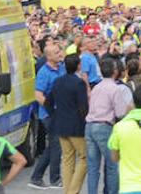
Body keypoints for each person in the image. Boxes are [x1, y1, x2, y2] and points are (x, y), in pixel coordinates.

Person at [85, 54, 132, 194]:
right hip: (104, 126)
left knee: (93, 167)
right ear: (115, 71)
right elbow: (120, 114)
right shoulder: (115, 89)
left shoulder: (96, 87)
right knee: (112, 166)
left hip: (90, 125)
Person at [49, 52, 89, 194]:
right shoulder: (79, 83)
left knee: (67, 158)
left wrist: (55, 115)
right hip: (76, 125)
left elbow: (48, 102)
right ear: (78, 66)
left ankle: (67, 190)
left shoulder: (57, 81)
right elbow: (84, 106)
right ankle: (73, 190)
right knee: (84, 157)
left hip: (60, 124)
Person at [30, 41, 65, 189]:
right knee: (56, 146)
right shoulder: (44, 72)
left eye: (60, 51)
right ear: (49, 56)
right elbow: (38, 95)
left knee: (52, 146)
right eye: (57, 53)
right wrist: (52, 110)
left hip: (60, 113)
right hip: (49, 114)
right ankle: (54, 179)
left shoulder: (61, 68)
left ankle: (36, 177)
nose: (60, 54)